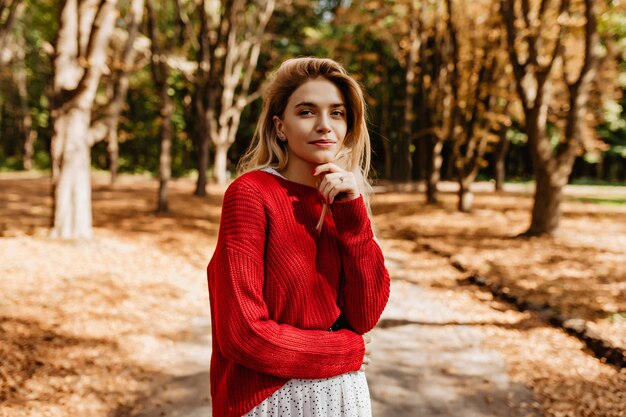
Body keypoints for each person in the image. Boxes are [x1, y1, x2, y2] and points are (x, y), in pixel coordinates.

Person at [207, 57, 390, 417]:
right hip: (271, 400)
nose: (325, 126)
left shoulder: (344, 200)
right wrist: (344, 351)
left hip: (345, 397)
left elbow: (364, 315)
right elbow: (242, 334)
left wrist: (354, 215)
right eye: (307, 112)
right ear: (280, 127)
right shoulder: (251, 194)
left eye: (337, 113)